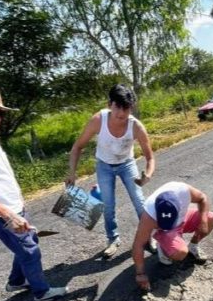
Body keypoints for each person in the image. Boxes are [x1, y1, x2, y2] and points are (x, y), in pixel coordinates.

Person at [0, 81, 67, 301]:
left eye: (0, 113)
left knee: (29, 240)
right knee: (30, 251)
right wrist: (8, 215)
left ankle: (17, 281)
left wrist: (16, 207)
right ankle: (41, 292)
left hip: (11, 206)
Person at [66, 84, 156, 258]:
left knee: (140, 202)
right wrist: (72, 172)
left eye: (126, 109)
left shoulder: (136, 126)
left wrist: (148, 175)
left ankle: (148, 238)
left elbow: (150, 157)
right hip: (104, 165)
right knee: (108, 205)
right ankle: (112, 239)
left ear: (132, 107)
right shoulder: (98, 120)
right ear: (110, 104)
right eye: (118, 107)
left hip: (127, 164)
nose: (121, 113)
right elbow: (77, 147)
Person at [131, 181, 213, 291]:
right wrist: (140, 274)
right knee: (179, 253)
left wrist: (203, 221)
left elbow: (203, 198)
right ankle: (162, 245)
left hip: (182, 219)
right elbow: (138, 245)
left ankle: (193, 245)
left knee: (211, 218)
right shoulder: (149, 214)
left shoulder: (183, 191)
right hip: (166, 231)